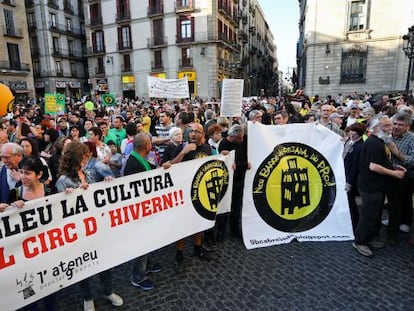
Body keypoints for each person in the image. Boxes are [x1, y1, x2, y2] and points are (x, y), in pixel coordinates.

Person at [55, 141, 123, 311]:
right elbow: (60, 210)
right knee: (83, 265)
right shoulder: (63, 180)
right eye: (84, 157)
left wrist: (106, 180)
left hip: (96, 226)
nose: (87, 159)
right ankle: (88, 297)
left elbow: (96, 193)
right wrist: (69, 195)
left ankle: (108, 291)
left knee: (104, 261)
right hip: (79, 231)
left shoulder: (88, 173)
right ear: (77, 158)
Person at [0, 156, 58, 310]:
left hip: (48, 250)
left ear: (39, 175)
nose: (23, 177)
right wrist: (9, 207)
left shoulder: (51, 191)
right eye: (21, 172)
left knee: (51, 292)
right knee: (29, 297)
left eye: (27, 173)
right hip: (25, 254)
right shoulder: (15, 193)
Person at [353, 116, 406, 257]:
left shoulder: (379, 142)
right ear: (376, 128)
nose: (391, 128)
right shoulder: (374, 143)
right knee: (369, 215)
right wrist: (394, 173)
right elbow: (373, 166)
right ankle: (360, 241)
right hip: (371, 186)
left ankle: (370, 237)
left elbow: (380, 161)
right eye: (387, 126)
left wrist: (394, 166)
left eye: (390, 125)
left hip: (376, 185)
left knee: (375, 214)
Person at [169, 123, 213, 273]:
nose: (193, 134)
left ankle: (197, 248)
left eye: (197, 132)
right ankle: (179, 254)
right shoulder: (180, 147)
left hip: (200, 191)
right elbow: (168, 166)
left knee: (199, 220)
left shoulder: (207, 148)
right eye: (191, 131)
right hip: (183, 193)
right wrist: (183, 152)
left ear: (203, 134)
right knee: (182, 225)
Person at [124, 133, 161, 291]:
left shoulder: (138, 159)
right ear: (147, 145)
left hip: (145, 209)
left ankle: (148, 264)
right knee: (141, 242)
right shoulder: (134, 164)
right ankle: (138, 277)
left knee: (149, 239)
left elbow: (152, 171)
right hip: (138, 212)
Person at [384, 112, 414, 244]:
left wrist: (396, 152)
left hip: (403, 175)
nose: (396, 127)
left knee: (401, 201)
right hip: (386, 173)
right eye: (394, 124)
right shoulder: (386, 137)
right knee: (391, 202)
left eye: (400, 125)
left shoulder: (412, 139)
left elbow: (411, 161)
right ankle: (394, 221)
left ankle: (394, 231)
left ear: (407, 126)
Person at [218, 124, 250, 240]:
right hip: (228, 180)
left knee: (237, 206)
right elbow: (232, 164)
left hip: (239, 179)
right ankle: (220, 231)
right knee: (225, 205)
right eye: (240, 138)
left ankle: (234, 229)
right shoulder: (224, 145)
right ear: (233, 137)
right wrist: (245, 165)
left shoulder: (242, 140)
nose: (242, 140)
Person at [343, 123, 366, 231]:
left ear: (358, 133)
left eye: (353, 131)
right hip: (346, 175)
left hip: (352, 179)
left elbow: (355, 167)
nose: (351, 133)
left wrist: (349, 182)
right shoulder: (350, 142)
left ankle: (355, 224)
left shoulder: (359, 147)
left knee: (351, 203)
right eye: (350, 131)